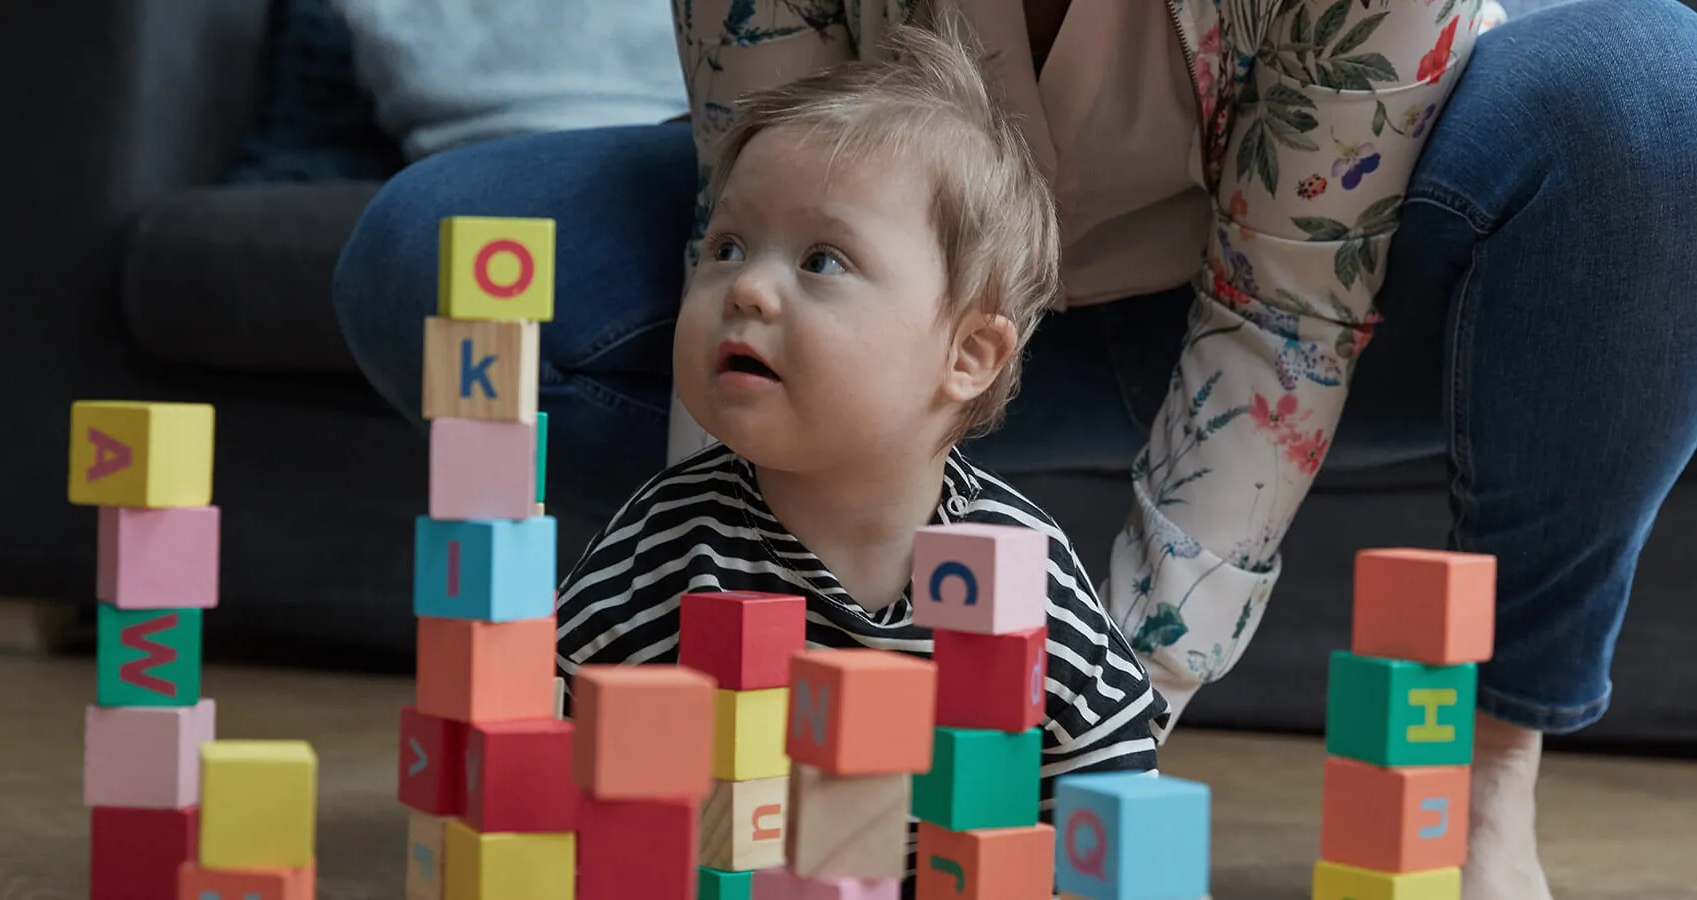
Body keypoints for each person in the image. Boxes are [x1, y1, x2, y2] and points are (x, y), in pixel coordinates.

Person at [332, 1, 1697, 897]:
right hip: (879, 301)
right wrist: (720, 716)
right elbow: (759, 199)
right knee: (432, 255)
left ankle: (1482, 783)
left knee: (1657, 87)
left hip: (1304, 295)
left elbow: (1288, 311)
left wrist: (1047, 758)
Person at [553, 15, 1163, 887]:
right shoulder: (666, 544)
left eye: (823, 260)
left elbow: (1108, 770)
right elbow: (550, 749)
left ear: (967, 355)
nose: (748, 288)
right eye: (727, 247)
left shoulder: (1015, 566)